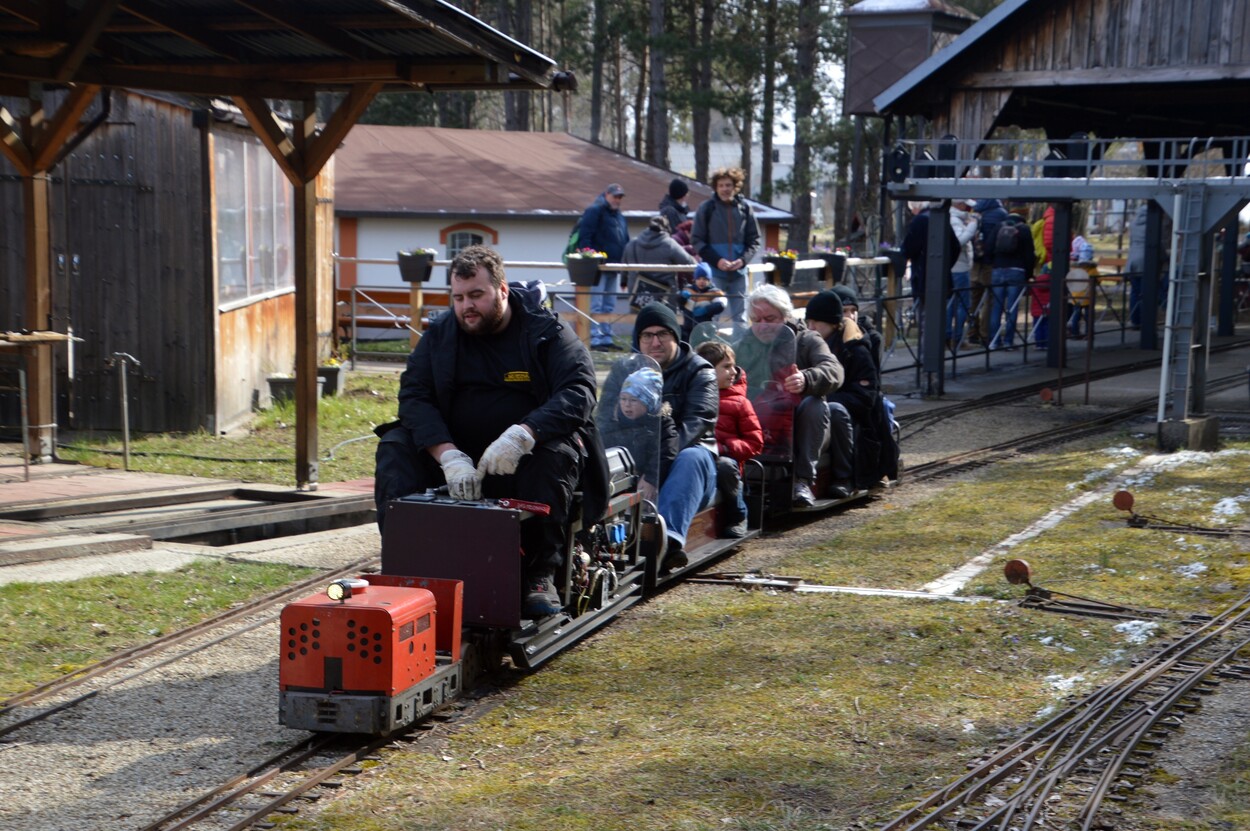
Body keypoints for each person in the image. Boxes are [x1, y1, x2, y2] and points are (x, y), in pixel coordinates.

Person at [373, 245, 604, 619]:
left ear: (502, 290)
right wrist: (446, 454)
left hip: (528, 453)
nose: (467, 306)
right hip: (459, 456)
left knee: (554, 456)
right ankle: (404, 566)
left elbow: (579, 390)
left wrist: (524, 434)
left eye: (476, 295)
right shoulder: (440, 336)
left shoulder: (548, 332)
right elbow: (414, 396)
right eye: (459, 297)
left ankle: (538, 575)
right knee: (394, 448)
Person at [626, 302, 719, 570]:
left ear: (675, 337)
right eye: (647, 335)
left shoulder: (700, 372)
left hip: (691, 464)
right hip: (642, 458)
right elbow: (610, 419)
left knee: (691, 457)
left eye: (662, 334)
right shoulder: (628, 371)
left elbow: (695, 425)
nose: (655, 342)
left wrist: (656, 470)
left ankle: (667, 542)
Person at [736, 284, 843, 506]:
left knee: (816, 404)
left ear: (786, 316)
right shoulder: (741, 346)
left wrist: (807, 379)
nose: (763, 326)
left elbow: (834, 370)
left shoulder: (806, 340)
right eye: (756, 320)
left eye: (770, 318)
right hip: (758, 422)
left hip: (797, 425)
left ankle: (802, 481)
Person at [804, 289, 898, 492]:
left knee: (836, 411)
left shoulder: (855, 349)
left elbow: (865, 397)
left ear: (832, 323)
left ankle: (843, 477)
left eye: (816, 323)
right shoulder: (805, 345)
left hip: (857, 422)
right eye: (808, 322)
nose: (810, 328)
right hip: (819, 410)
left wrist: (825, 398)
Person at [695, 339, 762, 538]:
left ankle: (738, 515)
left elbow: (755, 443)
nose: (734, 372)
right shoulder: (694, 396)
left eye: (733, 366)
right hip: (698, 456)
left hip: (724, 461)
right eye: (726, 367)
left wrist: (724, 447)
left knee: (724, 466)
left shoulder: (740, 402)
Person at [691, 166, 761, 326]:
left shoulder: (745, 208)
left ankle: (740, 350)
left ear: (735, 187)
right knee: (711, 318)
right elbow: (696, 240)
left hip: (739, 273)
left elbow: (755, 240)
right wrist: (717, 261)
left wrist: (742, 261)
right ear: (716, 187)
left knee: (741, 318)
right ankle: (708, 350)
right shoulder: (706, 208)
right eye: (721, 185)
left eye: (728, 185)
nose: (724, 189)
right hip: (713, 274)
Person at [598, 367, 677, 506]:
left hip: (644, 487)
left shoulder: (661, 424)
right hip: (615, 483)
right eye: (623, 399)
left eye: (634, 400)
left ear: (649, 401)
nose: (627, 404)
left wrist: (651, 478)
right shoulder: (613, 422)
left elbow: (667, 452)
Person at [577, 183, 630, 351]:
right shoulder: (595, 211)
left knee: (608, 305)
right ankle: (594, 338)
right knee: (596, 303)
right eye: (615, 196)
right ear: (606, 194)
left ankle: (606, 337)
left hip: (614, 266)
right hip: (599, 267)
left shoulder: (618, 215)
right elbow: (585, 237)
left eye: (620, 197)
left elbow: (625, 240)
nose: (618, 200)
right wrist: (591, 259)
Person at [986, 205, 1036, 350]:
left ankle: (994, 341)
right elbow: (1029, 255)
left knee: (996, 307)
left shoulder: (998, 226)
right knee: (1012, 308)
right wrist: (1028, 274)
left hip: (998, 269)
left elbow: (988, 248)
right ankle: (1009, 341)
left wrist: (993, 263)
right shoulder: (1024, 229)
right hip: (1017, 270)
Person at [622, 214, 696, 308]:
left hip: (637, 292)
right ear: (666, 228)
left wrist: (623, 282)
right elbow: (689, 263)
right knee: (665, 320)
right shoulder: (669, 244)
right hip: (664, 295)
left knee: (639, 320)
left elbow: (624, 264)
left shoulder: (632, 243)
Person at [970, 198, 1007, 345]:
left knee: (973, 298)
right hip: (990, 263)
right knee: (989, 299)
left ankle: (972, 332)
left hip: (974, 262)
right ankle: (987, 334)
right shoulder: (1001, 214)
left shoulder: (976, 213)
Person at [946, 198, 980, 351]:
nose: (969, 210)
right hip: (959, 268)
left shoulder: (954, 218)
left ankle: (950, 337)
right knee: (961, 305)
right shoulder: (954, 220)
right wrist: (972, 227)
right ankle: (956, 338)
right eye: (966, 206)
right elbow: (959, 241)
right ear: (959, 205)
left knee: (953, 305)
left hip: (957, 267)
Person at [680, 262, 729, 339]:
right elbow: (680, 303)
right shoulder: (688, 289)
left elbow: (721, 304)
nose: (701, 281)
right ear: (695, 279)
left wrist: (706, 310)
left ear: (709, 280)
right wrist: (682, 296)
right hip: (688, 327)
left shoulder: (714, 292)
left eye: (705, 279)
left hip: (706, 328)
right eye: (699, 279)